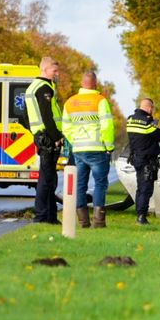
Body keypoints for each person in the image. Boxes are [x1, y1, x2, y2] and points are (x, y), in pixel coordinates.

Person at [62, 70, 115, 228]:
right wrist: (109, 146)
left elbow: (66, 128)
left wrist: (75, 142)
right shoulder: (100, 101)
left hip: (78, 150)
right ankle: (98, 221)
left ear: (81, 83)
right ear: (95, 83)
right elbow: (106, 126)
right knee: (100, 183)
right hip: (97, 149)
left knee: (80, 185)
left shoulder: (70, 103)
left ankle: (83, 221)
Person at [24, 57, 63, 224]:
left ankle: (50, 216)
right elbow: (47, 116)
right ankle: (42, 216)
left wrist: (35, 133)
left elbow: (24, 116)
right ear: (45, 70)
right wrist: (56, 137)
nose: (56, 74)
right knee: (46, 180)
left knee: (48, 178)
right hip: (48, 138)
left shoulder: (31, 87)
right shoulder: (45, 88)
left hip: (41, 136)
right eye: (54, 71)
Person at [126, 98, 160, 225]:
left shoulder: (130, 120)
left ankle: (139, 213)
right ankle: (141, 216)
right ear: (149, 108)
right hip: (147, 160)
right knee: (145, 189)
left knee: (140, 188)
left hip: (136, 158)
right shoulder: (147, 121)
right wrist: (154, 123)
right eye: (152, 108)